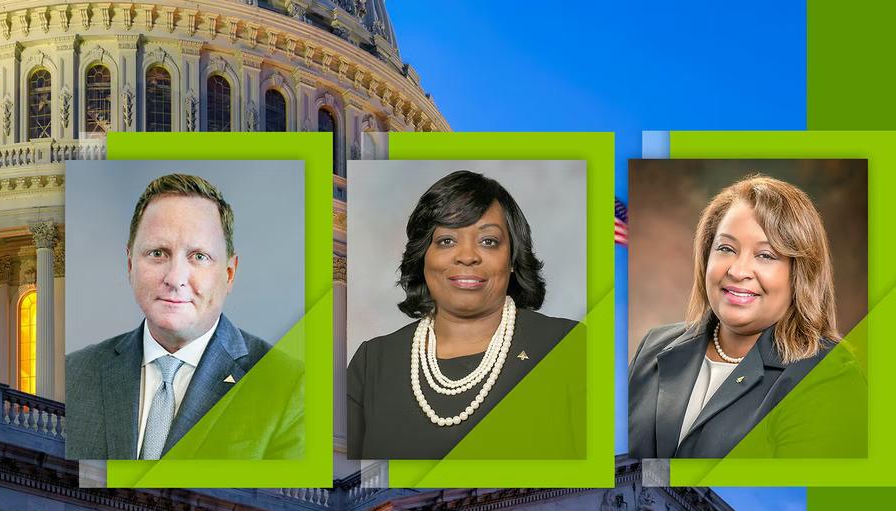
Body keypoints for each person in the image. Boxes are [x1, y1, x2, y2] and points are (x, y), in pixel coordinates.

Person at [347, 170, 583, 460]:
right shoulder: (372, 363)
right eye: (446, 240)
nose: (467, 255)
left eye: (489, 241)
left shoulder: (569, 347)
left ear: (512, 259)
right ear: (423, 257)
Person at [65, 173, 303, 460]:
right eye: (157, 253)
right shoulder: (76, 374)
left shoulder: (287, 385)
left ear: (229, 274)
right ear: (130, 265)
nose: (175, 278)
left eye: (199, 256)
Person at [629, 174, 852, 459]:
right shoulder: (654, 346)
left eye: (766, 255)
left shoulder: (829, 376)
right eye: (726, 248)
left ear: (800, 274)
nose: (737, 270)